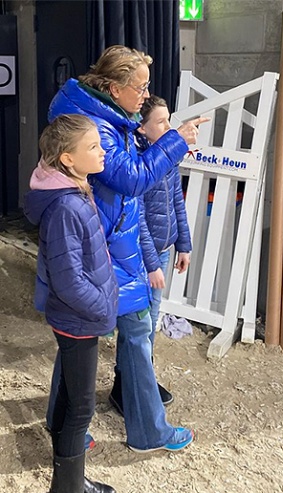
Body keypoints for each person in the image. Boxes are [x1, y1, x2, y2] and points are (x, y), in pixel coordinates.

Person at [48, 45, 208, 452]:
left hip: (112, 242)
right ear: (113, 87)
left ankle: (64, 422)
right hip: (106, 246)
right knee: (121, 334)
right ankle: (148, 431)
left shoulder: (108, 116)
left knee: (84, 338)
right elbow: (132, 179)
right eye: (139, 87)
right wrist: (174, 142)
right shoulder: (97, 125)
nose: (144, 94)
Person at [24, 114, 118, 493]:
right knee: (80, 407)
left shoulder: (76, 190)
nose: (102, 152)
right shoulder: (65, 207)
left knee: (68, 398)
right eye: (93, 147)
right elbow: (69, 281)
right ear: (67, 159)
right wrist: (104, 310)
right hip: (78, 319)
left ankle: (68, 485)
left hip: (79, 318)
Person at [134, 94, 192, 407]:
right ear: (142, 130)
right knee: (139, 324)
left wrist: (183, 243)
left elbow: (176, 202)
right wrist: (152, 263)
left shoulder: (167, 157)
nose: (169, 127)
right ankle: (137, 385)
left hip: (164, 251)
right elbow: (138, 217)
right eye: (161, 122)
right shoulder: (139, 164)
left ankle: (143, 379)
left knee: (152, 320)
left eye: (170, 119)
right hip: (146, 259)